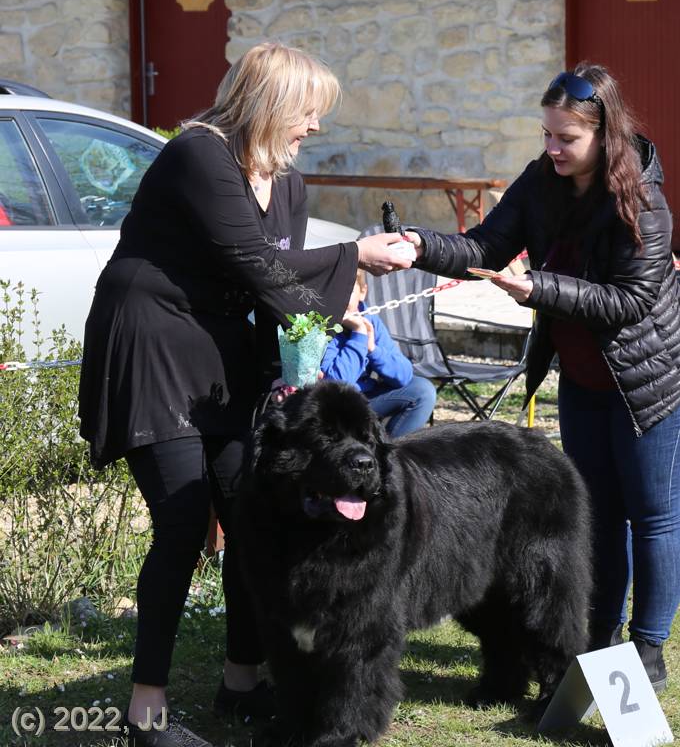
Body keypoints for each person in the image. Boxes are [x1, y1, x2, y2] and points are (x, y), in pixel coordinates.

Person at [77, 42, 411, 747]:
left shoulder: (286, 183)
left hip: (225, 355)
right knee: (181, 522)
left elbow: (281, 294)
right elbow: (255, 262)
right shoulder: (198, 155)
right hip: (154, 344)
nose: (315, 126)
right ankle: (146, 712)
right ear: (270, 103)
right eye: (308, 111)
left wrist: (302, 361)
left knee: (254, 509)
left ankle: (241, 679)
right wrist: (355, 255)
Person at [404, 63, 680, 692]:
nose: (552, 148)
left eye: (566, 138)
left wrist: (538, 289)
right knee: (599, 513)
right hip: (582, 380)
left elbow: (630, 301)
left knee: (653, 515)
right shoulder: (540, 181)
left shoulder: (643, 199)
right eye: (547, 135)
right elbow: (485, 246)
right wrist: (419, 246)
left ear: (603, 135)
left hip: (647, 382)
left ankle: (649, 647)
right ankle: (601, 637)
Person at [320, 267, 436, 436]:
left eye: (348, 291)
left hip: (366, 398)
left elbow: (404, 375)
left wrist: (373, 350)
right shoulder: (323, 326)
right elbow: (335, 387)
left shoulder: (370, 320)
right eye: (335, 292)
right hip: (334, 406)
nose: (341, 298)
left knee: (422, 390)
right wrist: (358, 334)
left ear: (362, 292)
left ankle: (391, 450)